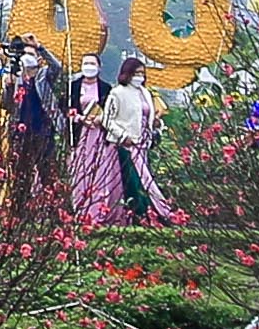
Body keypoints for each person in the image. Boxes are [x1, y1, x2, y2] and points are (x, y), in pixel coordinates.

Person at [103, 65, 180, 223]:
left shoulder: (145, 93)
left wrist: (154, 124)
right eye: (136, 73)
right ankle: (143, 214)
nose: (140, 77)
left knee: (146, 179)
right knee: (135, 181)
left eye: (142, 74)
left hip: (143, 143)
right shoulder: (117, 93)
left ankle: (153, 214)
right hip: (125, 145)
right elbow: (107, 119)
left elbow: (146, 115)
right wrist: (123, 135)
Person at [65, 64, 126, 224]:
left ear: (99, 67)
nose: (89, 67)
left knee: (100, 169)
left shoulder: (106, 88)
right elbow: (65, 107)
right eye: (86, 63)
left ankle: (99, 211)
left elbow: (112, 111)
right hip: (80, 134)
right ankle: (79, 208)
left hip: (99, 133)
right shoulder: (73, 86)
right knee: (80, 170)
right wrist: (79, 118)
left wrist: (100, 119)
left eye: (92, 64)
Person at [5, 47, 61, 214]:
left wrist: (40, 48)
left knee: (48, 173)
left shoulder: (43, 77)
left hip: (43, 131)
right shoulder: (16, 81)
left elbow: (57, 67)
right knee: (21, 175)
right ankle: (18, 213)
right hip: (21, 133)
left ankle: (55, 212)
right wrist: (9, 87)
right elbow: (7, 106)